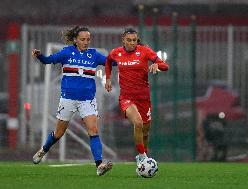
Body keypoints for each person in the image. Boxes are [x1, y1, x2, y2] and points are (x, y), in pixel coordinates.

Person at [32, 26, 113, 176]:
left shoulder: (94, 55)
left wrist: (124, 58)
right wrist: (40, 56)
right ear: (75, 40)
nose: (86, 42)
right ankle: (43, 150)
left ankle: (99, 165)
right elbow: (48, 60)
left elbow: (110, 62)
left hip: (87, 100)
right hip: (67, 99)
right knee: (58, 133)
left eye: (88, 39)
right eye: (83, 39)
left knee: (93, 131)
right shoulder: (66, 52)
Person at [104, 27, 169, 165]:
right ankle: (142, 157)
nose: (132, 43)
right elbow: (108, 61)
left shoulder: (144, 51)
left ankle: (143, 156)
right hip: (126, 98)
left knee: (145, 132)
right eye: (129, 40)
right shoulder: (116, 53)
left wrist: (157, 64)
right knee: (138, 122)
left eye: (134, 40)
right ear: (123, 40)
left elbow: (165, 66)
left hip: (144, 98)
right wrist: (108, 78)